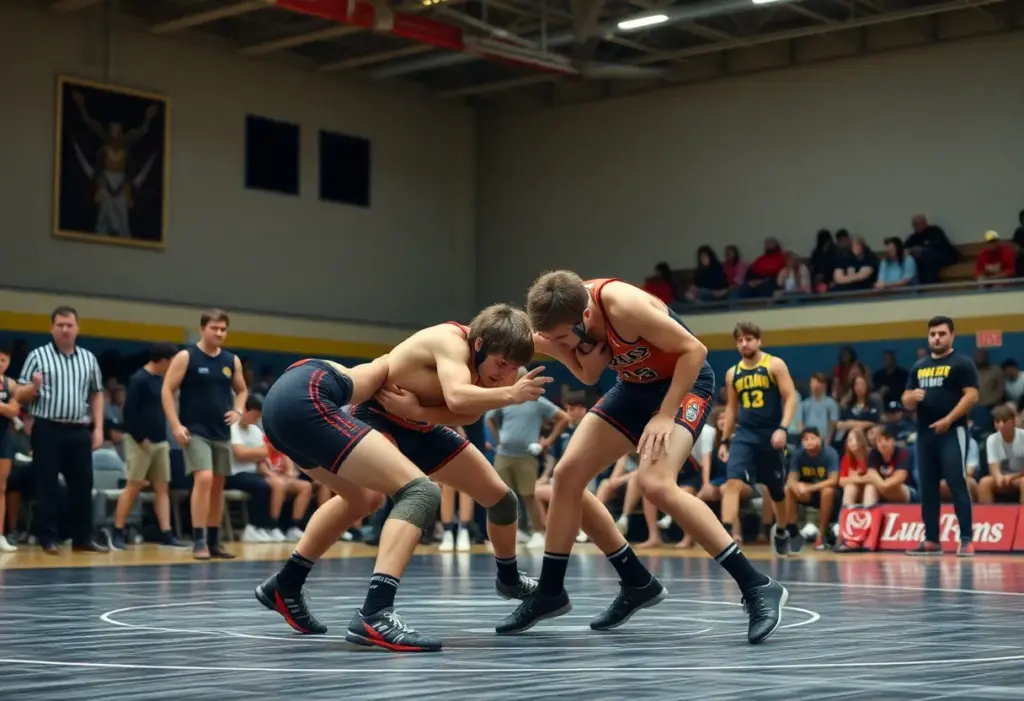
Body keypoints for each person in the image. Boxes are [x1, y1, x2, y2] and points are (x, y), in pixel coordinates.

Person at [500, 271, 786, 644]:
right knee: (567, 475)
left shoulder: (623, 305)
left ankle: (757, 585)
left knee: (655, 483)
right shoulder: (563, 318)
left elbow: (694, 351)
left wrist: (666, 414)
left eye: (559, 338)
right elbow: (588, 374)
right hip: (634, 388)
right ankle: (569, 589)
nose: (553, 343)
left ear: (585, 317)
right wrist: (559, 348)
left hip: (684, 384)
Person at [254, 305, 549, 652]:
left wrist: (418, 411)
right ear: (480, 343)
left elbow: (469, 411)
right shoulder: (450, 341)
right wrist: (509, 395)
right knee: (419, 493)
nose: (505, 376)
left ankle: (510, 579)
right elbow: (457, 397)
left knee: (501, 499)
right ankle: (375, 611)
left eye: (514, 369)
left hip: (414, 426)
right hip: (372, 416)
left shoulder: (502, 369)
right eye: (501, 365)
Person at [13, 306, 107, 554]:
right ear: (51, 328)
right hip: (47, 428)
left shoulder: (89, 358)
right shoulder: (37, 356)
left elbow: (97, 393)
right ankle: (48, 538)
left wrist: (99, 428)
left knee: (83, 484)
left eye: (69, 325)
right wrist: (32, 389)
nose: (65, 329)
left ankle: (83, 538)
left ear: (77, 327)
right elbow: (18, 393)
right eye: (60, 325)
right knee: (47, 485)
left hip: (78, 429)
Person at [719, 322, 800, 556]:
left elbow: (790, 397)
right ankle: (724, 538)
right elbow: (732, 408)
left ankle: (782, 530)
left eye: (749, 339)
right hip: (744, 435)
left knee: (776, 490)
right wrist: (725, 440)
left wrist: (783, 428)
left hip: (771, 434)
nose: (744, 343)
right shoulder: (732, 373)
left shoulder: (774, 364)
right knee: (732, 483)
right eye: (740, 340)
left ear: (759, 341)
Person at [902, 316, 978, 557]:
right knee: (927, 487)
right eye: (933, 334)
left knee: (957, 483)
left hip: (951, 432)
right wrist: (911, 399)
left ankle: (966, 538)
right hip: (925, 435)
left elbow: (972, 396)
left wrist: (949, 420)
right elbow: (906, 399)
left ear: (952, 336)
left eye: (941, 333)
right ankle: (932, 540)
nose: (936, 338)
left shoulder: (962, 363)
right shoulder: (919, 366)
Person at [109, 342, 184, 550]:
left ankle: (166, 533)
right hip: (140, 442)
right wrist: (142, 438)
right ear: (163, 360)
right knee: (133, 486)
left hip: (160, 442)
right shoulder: (139, 379)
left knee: (162, 488)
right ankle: (118, 531)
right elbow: (129, 413)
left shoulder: (163, 380)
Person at [486, 374, 569, 550]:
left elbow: (564, 418)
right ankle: (510, 533)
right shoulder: (506, 398)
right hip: (504, 454)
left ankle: (538, 532)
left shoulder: (539, 401)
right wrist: (499, 440)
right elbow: (489, 418)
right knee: (501, 496)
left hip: (526, 456)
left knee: (529, 495)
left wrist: (547, 441)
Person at [784, 428, 839, 551]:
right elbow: (791, 479)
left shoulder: (830, 453)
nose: (809, 442)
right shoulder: (798, 454)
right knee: (788, 490)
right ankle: (792, 532)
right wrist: (797, 486)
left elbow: (834, 480)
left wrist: (810, 487)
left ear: (820, 439)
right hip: (808, 494)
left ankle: (821, 535)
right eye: (806, 439)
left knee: (827, 491)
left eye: (812, 438)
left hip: (829, 494)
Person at [977, 404, 1024, 504]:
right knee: (984, 483)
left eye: (1005, 421)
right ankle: (987, 518)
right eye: (997, 421)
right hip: (1003, 478)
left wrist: (1012, 477)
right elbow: (993, 467)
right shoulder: (992, 439)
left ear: (1013, 421)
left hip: (1019, 477)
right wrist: (998, 477)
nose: (1001, 425)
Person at [0, 347, 19, 552]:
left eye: (3, 360)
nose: (0, 363)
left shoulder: (11, 384)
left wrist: (4, 408)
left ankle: (0, 535)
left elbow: (14, 410)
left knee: (1, 488)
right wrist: (5, 408)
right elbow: (8, 408)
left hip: (3, 438)